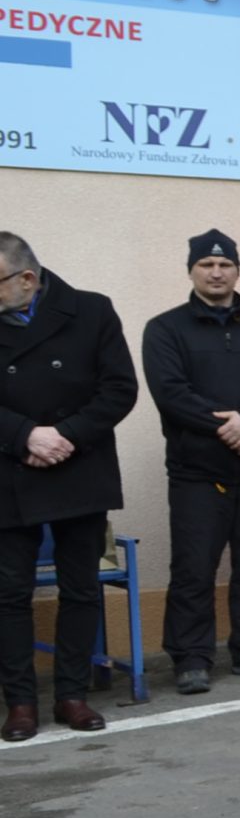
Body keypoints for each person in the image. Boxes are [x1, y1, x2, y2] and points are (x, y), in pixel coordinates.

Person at [141, 230, 240, 693]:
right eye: (206, 265)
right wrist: (234, 433)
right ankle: (191, 658)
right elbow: (172, 395)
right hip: (197, 474)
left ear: (238, 271)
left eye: (225, 265)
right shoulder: (165, 329)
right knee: (194, 568)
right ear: (191, 271)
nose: (216, 272)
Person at [0, 233, 138, 740]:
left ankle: (72, 695)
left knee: (80, 590)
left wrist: (66, 434)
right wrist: (24, 435)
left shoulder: (92, 311)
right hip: (10, 470)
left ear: (27, 280)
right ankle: (19, 703)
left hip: (80, 467)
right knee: (9, 594)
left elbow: (120, 388)